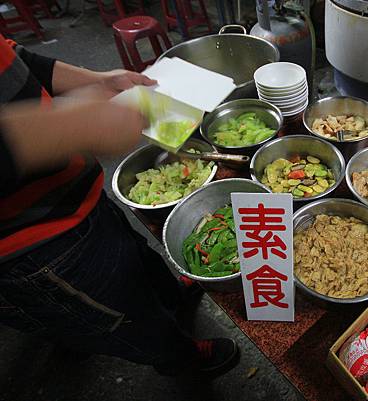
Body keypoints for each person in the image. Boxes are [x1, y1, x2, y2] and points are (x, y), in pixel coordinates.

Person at [0, 35, 238, 374]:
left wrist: (99, 80)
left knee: (135, 259)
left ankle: (172, 296)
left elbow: (12, 59)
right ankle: (181, 359)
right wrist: (71, 126)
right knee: (123, 317)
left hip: (76, 196)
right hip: (32, 248)